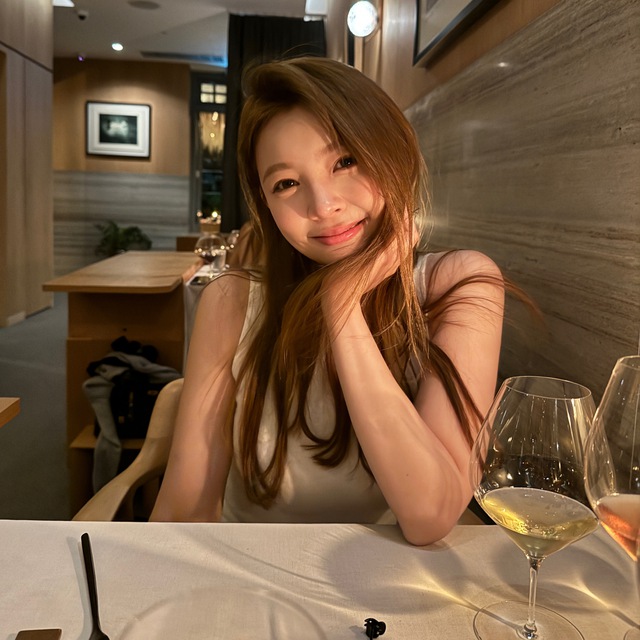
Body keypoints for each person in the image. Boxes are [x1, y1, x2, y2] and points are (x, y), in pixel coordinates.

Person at [151, 56, 505, 546]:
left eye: (345, 161)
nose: (322, 206)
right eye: (287, 183)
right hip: (247, 567)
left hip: (376, 579)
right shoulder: (231, 301)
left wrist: (341, 301)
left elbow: (431, 512)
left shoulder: (458, 285)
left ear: (392, 151)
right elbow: (184, 510)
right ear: (266, 204)